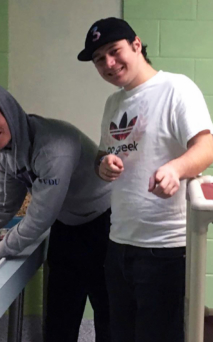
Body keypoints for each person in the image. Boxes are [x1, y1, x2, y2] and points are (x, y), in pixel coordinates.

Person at [77, 17, 213, 342]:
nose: (109, 64)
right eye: (99, 60)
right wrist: (103, 163)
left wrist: (176, 169)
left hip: (164, 248)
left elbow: (206, 146)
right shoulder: (114, 102)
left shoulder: (176, 88)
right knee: (119, 334)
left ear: (136, 45)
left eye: (114, 51)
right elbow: (105, 153)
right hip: (119, 242)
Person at [0, 82, 111, 342]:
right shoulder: (6, 151)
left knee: (108, 314)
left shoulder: (54, 147)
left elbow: (38, 220)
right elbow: (1, 207)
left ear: (8, 110)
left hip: (104, 224)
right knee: (59, 317)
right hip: (67, 224)